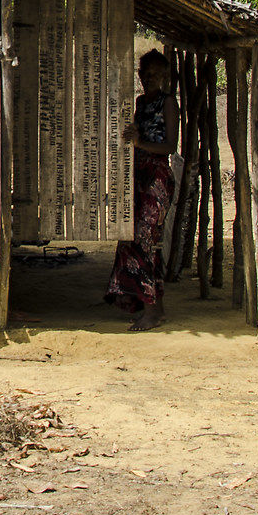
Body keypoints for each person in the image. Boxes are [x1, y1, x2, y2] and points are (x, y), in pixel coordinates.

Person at [107, 49, 175, 330]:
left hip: (157, 176)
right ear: (139, 76)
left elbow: (170, 146)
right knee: (132, 238)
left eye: (156, 75)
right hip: (138, 174)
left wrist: (140, 144)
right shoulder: (139, 102)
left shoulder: (168, 103)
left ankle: (151, 311)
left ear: (165, 77)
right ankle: (151, 306)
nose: (150, 80)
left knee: (147, 239)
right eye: (146, 75)